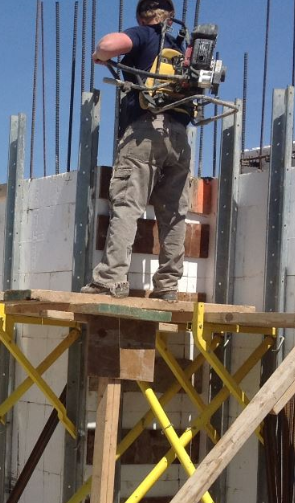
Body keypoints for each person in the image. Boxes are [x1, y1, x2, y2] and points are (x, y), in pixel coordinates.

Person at [81, 0, 191, 301]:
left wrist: (100, 55)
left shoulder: (148, 34)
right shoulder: (183, 47)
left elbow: (110, 44)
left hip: (144, 133)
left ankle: (111, 280)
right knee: (174, 215)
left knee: (128, 205)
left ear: (144, 18)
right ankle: (167, 287)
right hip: (180, 138)